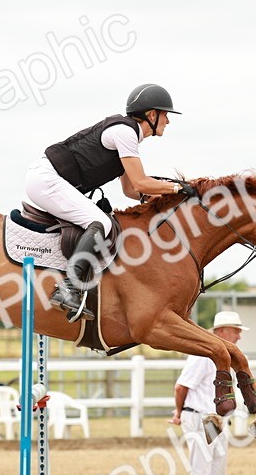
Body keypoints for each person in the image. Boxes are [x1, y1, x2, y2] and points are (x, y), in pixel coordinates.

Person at [25, 83, 194, 323]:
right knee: (100, 222)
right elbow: (142, 183)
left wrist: (169, 198)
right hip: (46, 179)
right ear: (152, 115)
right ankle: (68, 288)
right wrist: (177, 188)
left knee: (102, 221)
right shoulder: (125, 133)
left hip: (48, 179)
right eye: (166, 114)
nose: (168, 121)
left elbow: (131, 190)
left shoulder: (129, 138)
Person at [168, 311, 248, 475]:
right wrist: (179, 412)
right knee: (201, 471)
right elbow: (181, 386)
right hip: (200, 417)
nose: (239, 336)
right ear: (222, 331)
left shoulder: (223, 357)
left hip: (215, 420)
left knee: (216, 471)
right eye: (236, 331)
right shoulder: (203, 356)